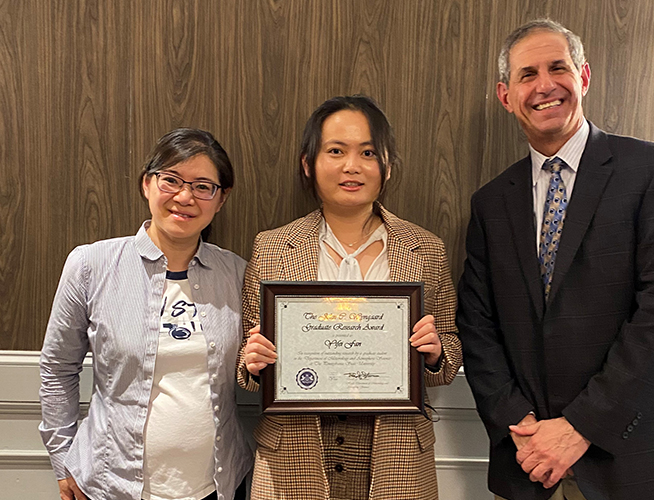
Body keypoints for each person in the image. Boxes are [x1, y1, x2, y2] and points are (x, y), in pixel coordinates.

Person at [456, 19, 654, 500]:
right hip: (528, 462)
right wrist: (520, 425)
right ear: (506, 95)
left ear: (583, 77)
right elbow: (477, 324)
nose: (545, 86)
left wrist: (579, 427)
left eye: (558, 68)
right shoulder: (490, 203)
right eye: (528, 75)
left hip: (631, 460)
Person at [236, 95, 462, 500]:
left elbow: (450, 355)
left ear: (386, 165)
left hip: (395, 457)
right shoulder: (271, 248)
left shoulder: (426, 249)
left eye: (368, 152)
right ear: (309, 164)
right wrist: (253, 363)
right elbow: (246, 362)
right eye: (335, 151)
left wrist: (435, 352)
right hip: (295, 454)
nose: (351, 166)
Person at [39, 128, 253, 500]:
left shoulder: (238, 275)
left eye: (203, 186)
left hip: (215, 486)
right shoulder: (91, 265)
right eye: (171, 180)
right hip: (112, 485)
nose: (185, 196)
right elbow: (58, 368)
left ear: (221, 199)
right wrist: (64, 458)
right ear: (147, 184)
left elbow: (253, 370)